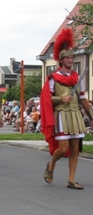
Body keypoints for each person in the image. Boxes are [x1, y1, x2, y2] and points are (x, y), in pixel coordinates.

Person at [41, 28, 93, 190]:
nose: (70, 60)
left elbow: (83, 98)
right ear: (61, 60)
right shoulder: (53, 78)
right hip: (61, 115)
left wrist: (91, 116)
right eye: (68, 58)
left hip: (76, 115)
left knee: (75, 148)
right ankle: (51, 164)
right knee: (63, 149)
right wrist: (60, 98)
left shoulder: (77, 77)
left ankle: (71, 179)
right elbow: (46, 98)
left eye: (72, 58)